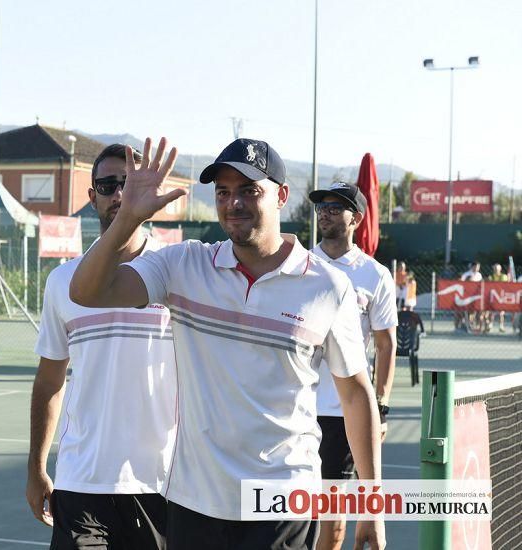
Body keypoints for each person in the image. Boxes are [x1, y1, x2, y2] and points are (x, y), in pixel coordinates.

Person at [70, 137, 384, 550]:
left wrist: (372, 508)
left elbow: (356, 396)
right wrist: (127, 218)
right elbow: (88, 291)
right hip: (193, 504)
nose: (234, 203)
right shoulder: (184, 265)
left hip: (282, 505)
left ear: (281, 196)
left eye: (249, 190)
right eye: (223, 192)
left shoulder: (328, 287)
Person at [26, 144, 177, 550]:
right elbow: (50, 380)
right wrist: (36, 467)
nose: (119, 194)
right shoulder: (62, 282)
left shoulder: (178, 271)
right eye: (107, 185)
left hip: (163, 482)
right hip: (83, 482)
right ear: (91, 196)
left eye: (128, 184)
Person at [308, 182, 397, 550]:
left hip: (339, 413)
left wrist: (381, 407)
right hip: (294, 409)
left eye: (335, 206)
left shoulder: (375, 275)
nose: (325, 212)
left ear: (355, 218)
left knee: (332, 517)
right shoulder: (299, 264)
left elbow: (385, 343)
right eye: (321, 206)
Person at [460, 262, 484, 332]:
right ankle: (466, 325)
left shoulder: (479, 275)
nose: (477, 268)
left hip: (476, 296)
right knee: (467, 312)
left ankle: (475, 326)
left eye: (478, 267)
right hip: (467, 296)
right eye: (476, 267)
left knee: (475, 311)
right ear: (472, 267)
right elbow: (462, 284)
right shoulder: (466, 274)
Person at [486, 263, 508, 332]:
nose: (496, 270)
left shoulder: (503, 276)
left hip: (501, 296)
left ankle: (501, 326)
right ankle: (490, 325)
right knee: (491, 312)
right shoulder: (491, 277)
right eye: (495, 269)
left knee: (501, 313)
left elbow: (503, 285)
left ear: (500, 269)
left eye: (497, 269)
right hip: (493, 297)